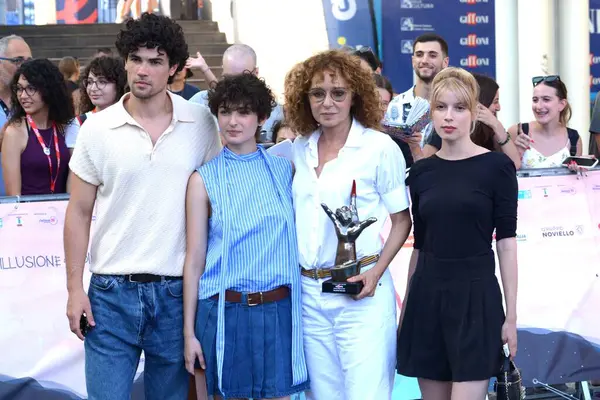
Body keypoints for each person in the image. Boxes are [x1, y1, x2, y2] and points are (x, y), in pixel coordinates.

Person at [64, 13, 221, 400]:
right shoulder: (97, 129)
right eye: (135, 58)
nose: (143, 70)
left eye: (155, 61)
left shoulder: (200, 122)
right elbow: (79, 212)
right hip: (109, 294)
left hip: (175, 296)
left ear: (173, 69)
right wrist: (73, 289)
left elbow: (218, 204)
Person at [285, 49, 413, 400]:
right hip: (310, 294)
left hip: (362, 293)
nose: (327, 102)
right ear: (305, 98)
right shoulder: (298, 149)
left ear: (355, 96)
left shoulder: (378, 147)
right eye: (317, 93)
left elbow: (403, 220)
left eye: (338, 93)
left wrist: (375, 273)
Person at [183, 72, 309, 400]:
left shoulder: (285, 170)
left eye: (243, 112)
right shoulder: (203, 179)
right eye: (225, 111)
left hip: (278, 308)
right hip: (225, 310)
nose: (233, 121)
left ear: (262, 117)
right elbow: (194, 260)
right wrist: (188, 332)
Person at [396, 67, 518, 399]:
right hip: (427, 296)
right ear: (430, 112)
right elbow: (419, 246)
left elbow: (506, 244)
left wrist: (512, 315)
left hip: (476, 298)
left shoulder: (497, 168)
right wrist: (407, 307)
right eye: (441, 107)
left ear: (475, 113)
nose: (449, 116)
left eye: (459, 108)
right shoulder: (421, 172)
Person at [1, 59, 75, 196]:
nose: (23, 96)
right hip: (28, 214)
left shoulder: (64, 127)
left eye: (30, 89)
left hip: (62, 212)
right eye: (19, 89)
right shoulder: (14, 132)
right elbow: (14, 196)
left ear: (48, 90)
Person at [188, 44, 284, 142]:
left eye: (243, 78)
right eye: (229, 79)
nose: (235, 86)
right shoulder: (199, 103)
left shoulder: (275, 112)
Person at [427, 73, 522, 168]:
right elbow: (425, 164)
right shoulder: (448, 128)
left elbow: (515, 165)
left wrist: (497, 126)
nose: (499, 107)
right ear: (482, 102)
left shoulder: (491, 129)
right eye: (495, 102)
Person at [385, 33, 449, 166]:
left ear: (445, 62)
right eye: (419, 54)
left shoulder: (454, 109)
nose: (424, 60)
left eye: (432, 55)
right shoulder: (393, 106)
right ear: (413, 60)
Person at [508, 75, 582, 168]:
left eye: (546, 99)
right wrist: (516, 154)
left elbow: (577, 180)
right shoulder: (518, 132)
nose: (539, 106)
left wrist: (579, 170)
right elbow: (502, 175)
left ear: (562, 104)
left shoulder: (574, 139)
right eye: (535, 100)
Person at [0, 35, 32, 196]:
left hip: (27, 208)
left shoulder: (35, 103)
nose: (24, 67)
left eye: (29, 61)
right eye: (18, 60)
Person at [77, 56, 127, 124]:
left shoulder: (131, 121)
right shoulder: (79, 123)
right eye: (89, 82)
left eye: (102, 82)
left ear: (119, 85)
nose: (93, 88)